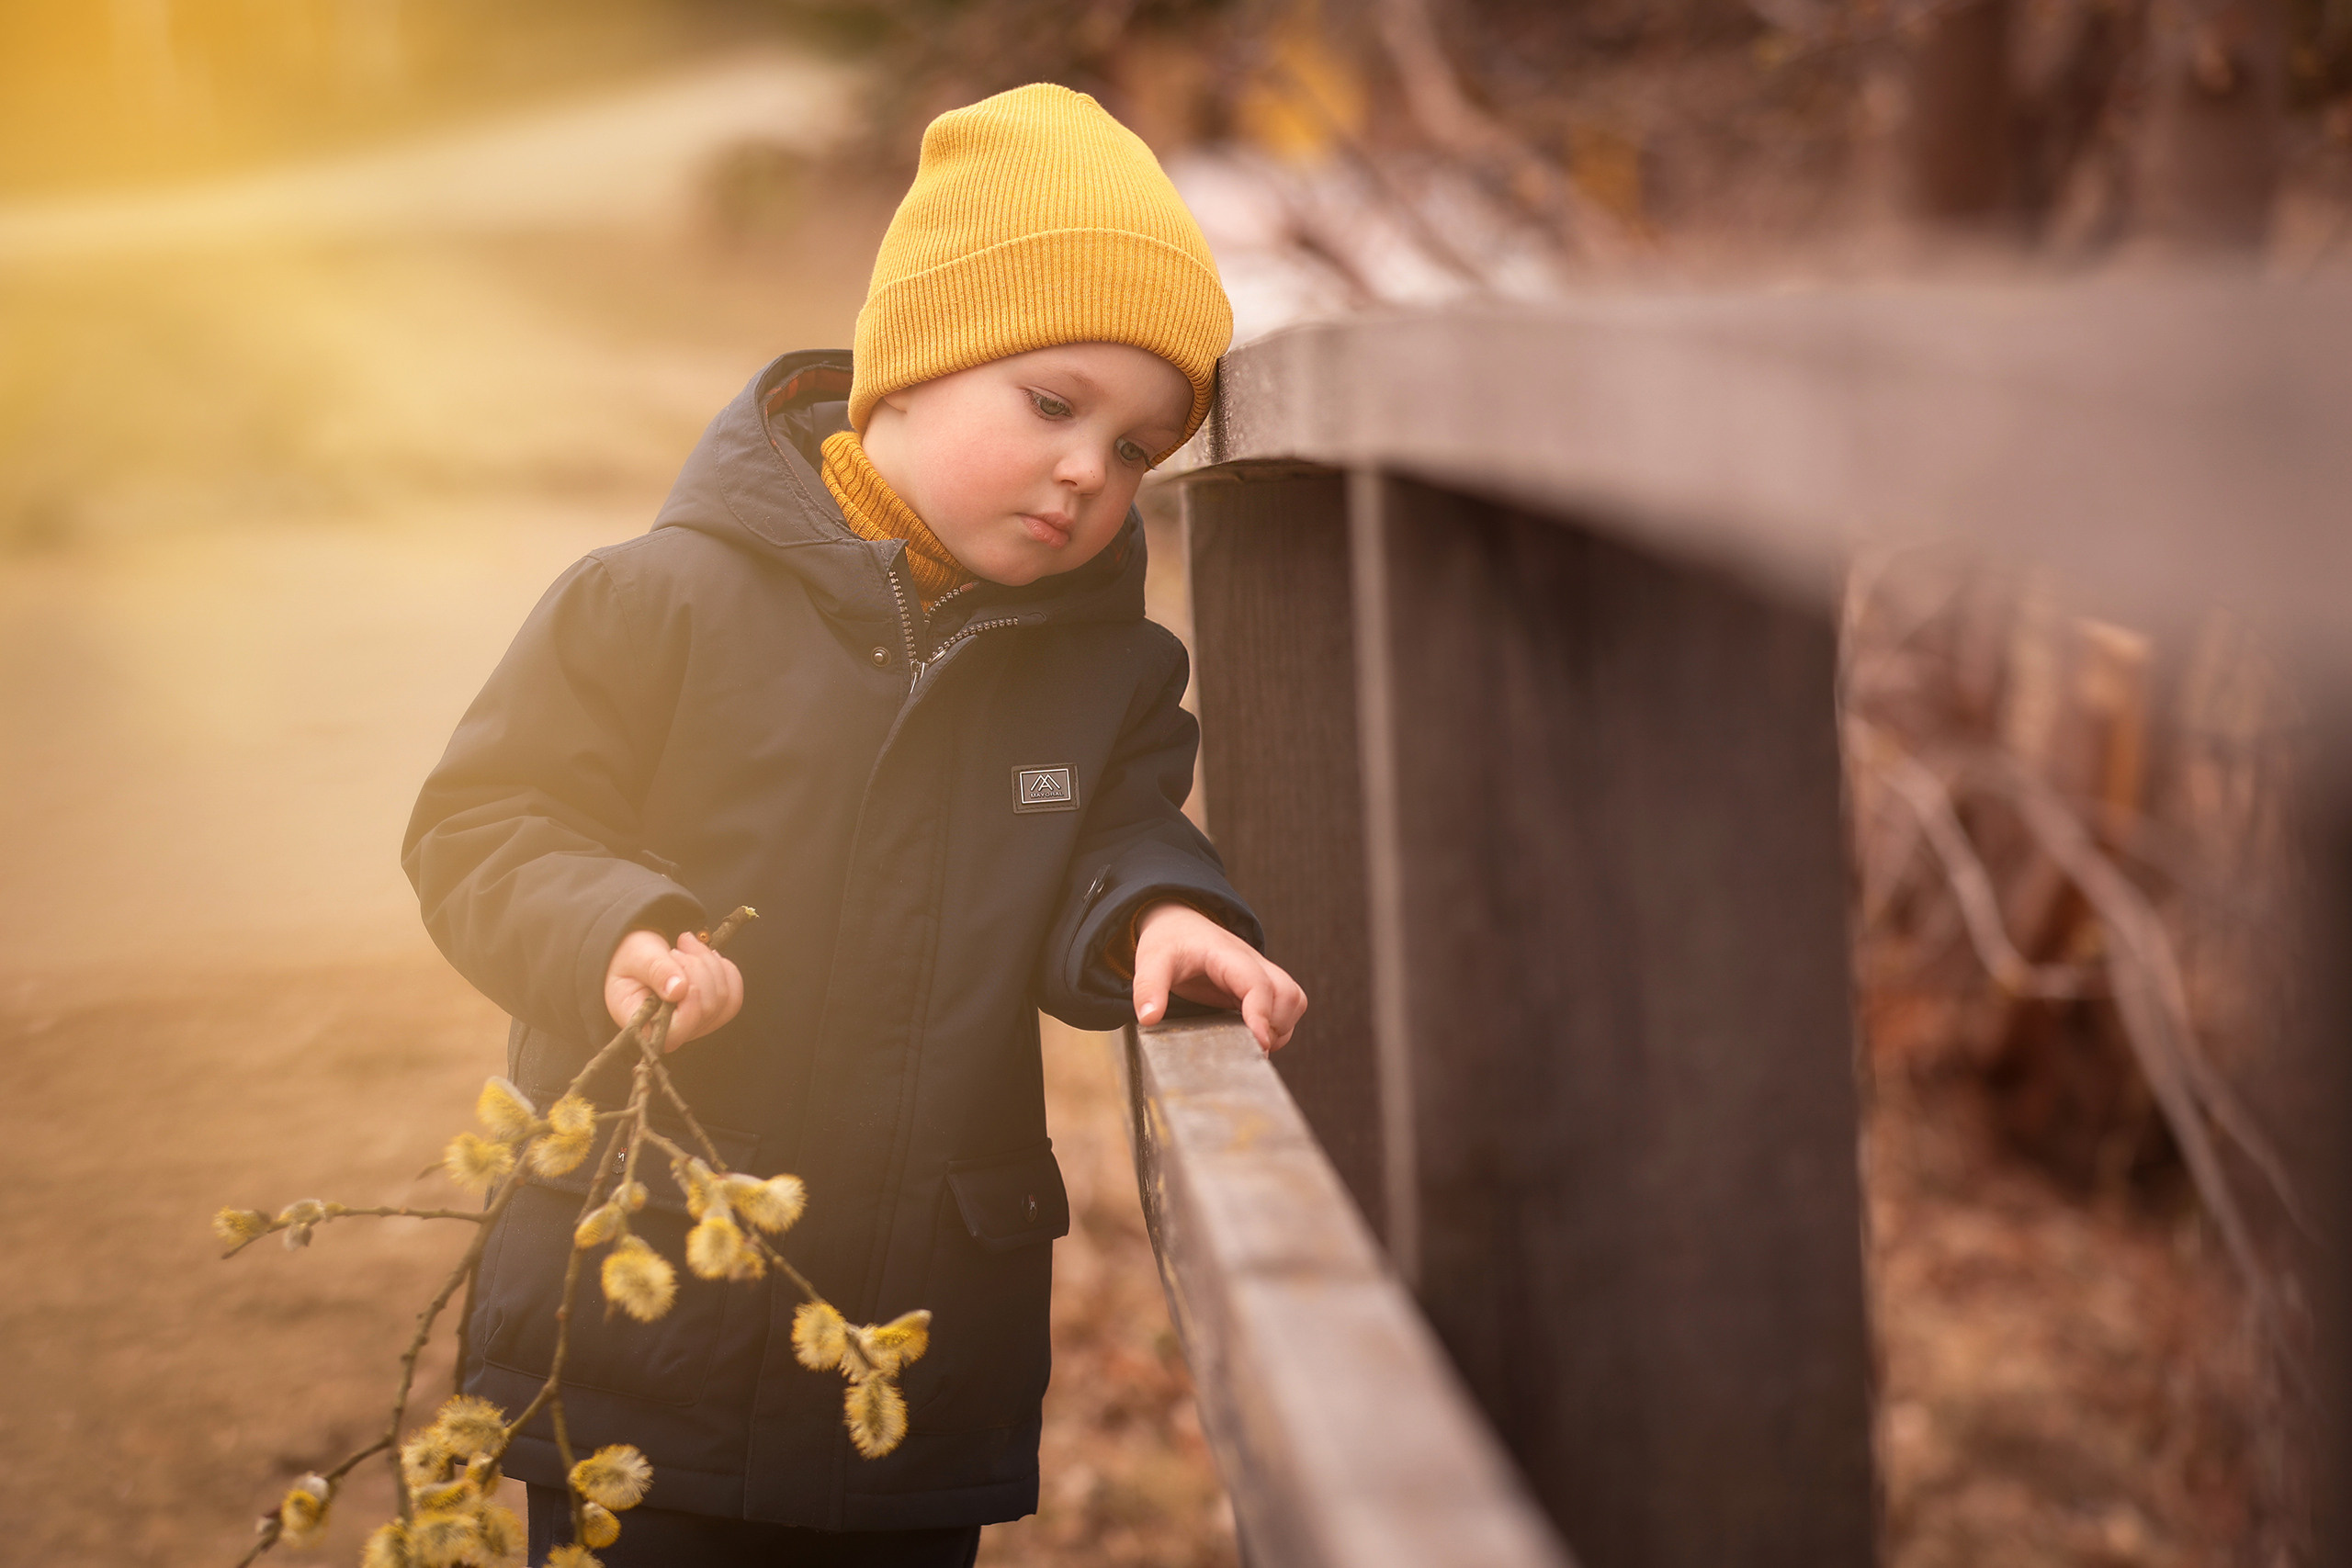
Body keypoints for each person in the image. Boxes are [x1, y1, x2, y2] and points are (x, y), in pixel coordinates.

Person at [402, 82, 1306, 1567]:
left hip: (912, 1352)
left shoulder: (1102, 674)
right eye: (1054, 405)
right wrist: (611, 930)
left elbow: (1112, 834)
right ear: (910, 369)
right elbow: (488, 819)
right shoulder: (658, 604)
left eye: (1141, 448)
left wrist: (1162, 911)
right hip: (645, 1321)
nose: (1092, 471)